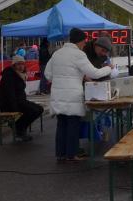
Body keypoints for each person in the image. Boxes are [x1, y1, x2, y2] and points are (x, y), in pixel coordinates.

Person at [44, 28, 112, 162]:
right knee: (73, 125)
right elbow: (94, 73)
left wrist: (60, 79)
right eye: (84, 41)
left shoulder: (57, 53)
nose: (84, 44)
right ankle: (72, 154)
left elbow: (48, 74)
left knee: (61, 124)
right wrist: (109, 68)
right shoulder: (79, 55)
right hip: (73, 96)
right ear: (80, 41)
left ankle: (60, 154)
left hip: (58, 95)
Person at [0, 56, 43, 142]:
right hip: (9, 104)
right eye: (18, 64)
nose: (21, 66)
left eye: (22, 64)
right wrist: (14, 109)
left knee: (39, 109)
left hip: (20, 101)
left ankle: (20, 128)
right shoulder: (9, 75)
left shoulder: (20, 75)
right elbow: (9, 94)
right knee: (32, 111)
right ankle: (19, 130)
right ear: (14, 65)